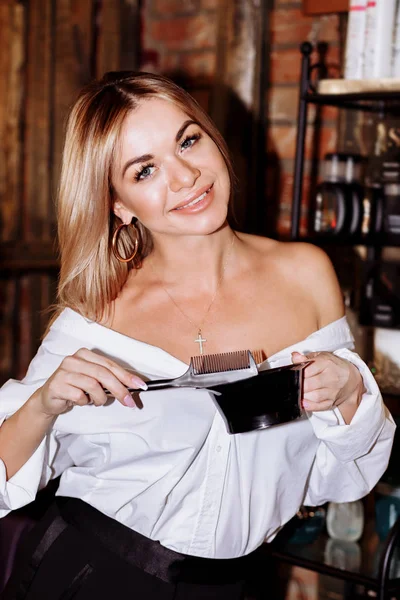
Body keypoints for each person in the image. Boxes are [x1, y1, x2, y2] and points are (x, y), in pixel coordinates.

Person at [0, 71, 395, 600]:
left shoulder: (306, 276)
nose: (186, 176)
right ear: (118, 203)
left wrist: (348, 392)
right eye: (145, 171)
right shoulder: (98, 312)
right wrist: (42, 405)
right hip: (95, 576)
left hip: (242, 585)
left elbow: (334, 477)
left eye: (188, 140)